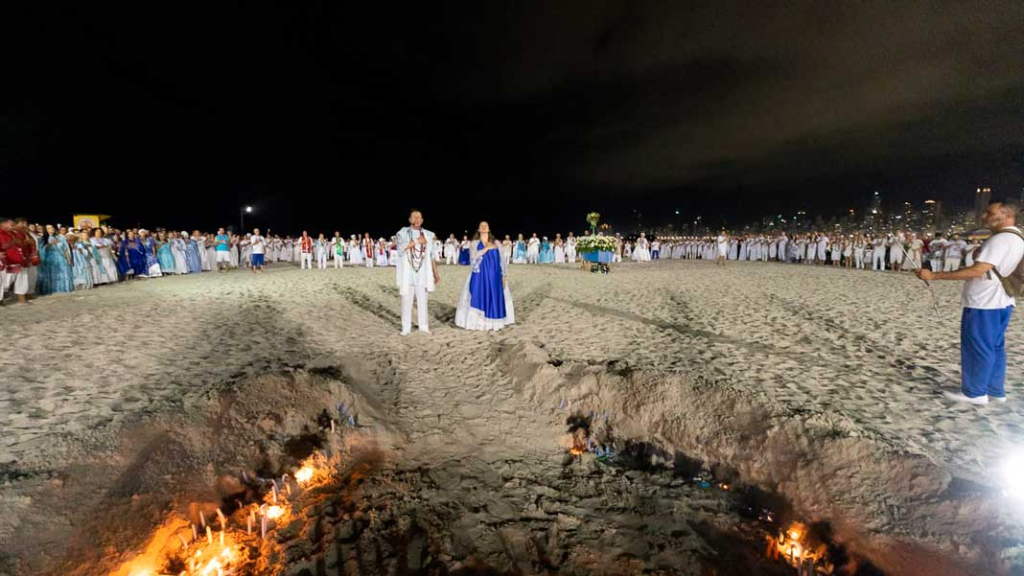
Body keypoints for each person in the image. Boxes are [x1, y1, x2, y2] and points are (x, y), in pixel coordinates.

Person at [917, 200, 1024, 405]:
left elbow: (977, 271)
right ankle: (995, 390)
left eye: (989, 212)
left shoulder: (1000, 240)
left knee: (978, 346)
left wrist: (933, 276)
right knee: (995, 346)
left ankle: (975, 393)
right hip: (1003, 300)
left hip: (985, 301)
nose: (984, 216)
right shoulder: (1017, 237)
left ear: (1007, 215)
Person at [455, 221, 515, 331]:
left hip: (494, 275)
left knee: (494, 297)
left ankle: (494, 322)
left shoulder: (496, 243)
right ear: (478, 229)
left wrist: (504, 275)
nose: (483, 227)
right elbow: (472, 258)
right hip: (479, 275)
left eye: (485, 225)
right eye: (481, 226)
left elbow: (502, 260)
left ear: (488, 229)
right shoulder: (474, 243)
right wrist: (485, 249)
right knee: (478, 295)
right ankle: (479, 323)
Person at [395, 209, 440, 335]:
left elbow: (431, 256)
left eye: (419, 217)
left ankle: (423, 326)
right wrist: (416, 242)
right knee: (406, 301)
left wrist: (435, 273)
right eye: (414, 217)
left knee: (422, 300)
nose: (416, 219)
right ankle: (406, 327)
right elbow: (400, 249)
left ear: (422, 220)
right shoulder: (403, 233)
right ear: (410, 220)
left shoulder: (429, 235)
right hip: (408, 272)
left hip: (423, 273)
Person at [0, 217, 30, 304]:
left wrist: (24, 243)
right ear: (3, 224)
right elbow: (5, 246)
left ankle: (22, 299)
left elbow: (21, 244)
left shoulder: (15, 233)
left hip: (20, 260)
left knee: (22, 279)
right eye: (11, 225)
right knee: (5, 282)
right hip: (7, 262)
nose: (13, 226)